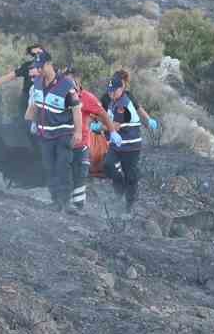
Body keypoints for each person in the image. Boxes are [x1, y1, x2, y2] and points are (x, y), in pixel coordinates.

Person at [23, 51, 80, 212]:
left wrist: (78, 132)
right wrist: (30, 121)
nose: (39, 70)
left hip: (63, 133)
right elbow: (35, 106)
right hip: (45, 134)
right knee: (49, 167)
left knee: (63, 166)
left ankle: (66, 202)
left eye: (41, 67)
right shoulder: (37, 84)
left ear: (49, 64)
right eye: (37, 67)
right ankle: (55, 200)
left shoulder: (66, 85)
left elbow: (76, 109)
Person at [102, 70, 155, 213]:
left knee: (130, 175)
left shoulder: (123, 105)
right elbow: (108, 120)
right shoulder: (114, 102)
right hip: (117, 144)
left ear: (121, 89)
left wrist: (99, 126)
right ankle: (119, 192)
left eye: (114, 91)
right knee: (108, 165)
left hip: (131, 146)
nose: (111, 94)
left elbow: (114, 126)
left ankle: (129, 206)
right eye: (109, 91)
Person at [63, 67, 107, 214]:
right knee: (66, 173)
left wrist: (106, 129)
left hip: (82, 143)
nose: (67, 83)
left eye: (69, 80)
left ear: (77, 80)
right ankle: (64, 203)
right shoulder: (61, 96)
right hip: (64, 143)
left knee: (81, 174)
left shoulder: (88, 97)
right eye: (65, 80)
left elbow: (103, 114)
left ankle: (79, 206)